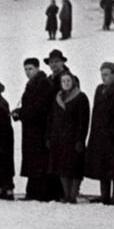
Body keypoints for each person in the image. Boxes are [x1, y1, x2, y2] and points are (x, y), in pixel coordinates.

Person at [11, 58, 54, 201]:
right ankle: (33, 191)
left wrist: (21, 113)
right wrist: (20, 112)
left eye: (30, 68)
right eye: (26, 69)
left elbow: (40, 108)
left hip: (40, 129)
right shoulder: (31, 84)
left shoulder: (43, 84)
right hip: (31, 129)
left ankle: (40, 193)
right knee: (33, 160)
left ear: (37, 68)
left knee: (39, 161)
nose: (28, 72)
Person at [85, 62, 114, 205]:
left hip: (113, 136)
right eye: (102, 75)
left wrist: (113, 131)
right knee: (102, 167)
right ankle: (104, 195)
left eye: (107, 74)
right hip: (99, 134)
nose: (104, 78)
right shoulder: (99, 89)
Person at [47, 73, 90, 203]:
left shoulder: (81, 97)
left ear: (73, 82)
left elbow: (84, 121)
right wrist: (49, 136)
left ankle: (73, 194)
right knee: (62, 167)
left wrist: (80, 139)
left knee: (75, 168)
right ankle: (66, 194)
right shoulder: (57, 98)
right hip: (59, 139)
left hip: (74, 138)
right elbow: (51, 118)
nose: (66, 83)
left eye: (68, 80)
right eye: (63, 81)